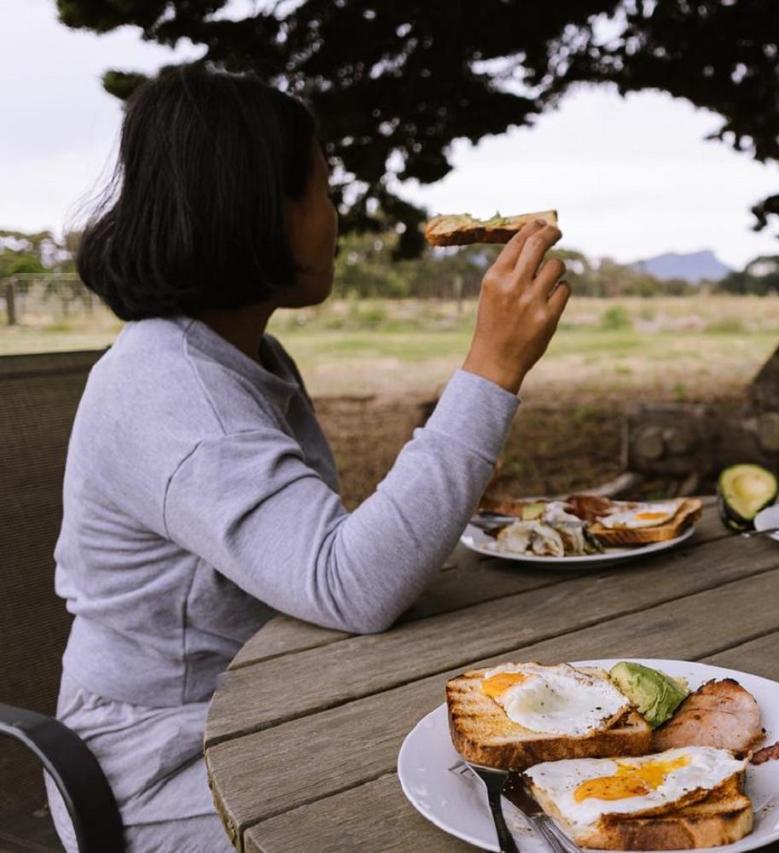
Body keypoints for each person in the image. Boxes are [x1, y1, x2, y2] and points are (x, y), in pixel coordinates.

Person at [47, 64, 569, 851]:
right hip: (155, 760)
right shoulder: (171, 390)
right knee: (460, 824)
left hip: (277, 696)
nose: (334, 218)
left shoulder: (240, 353)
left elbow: (315, 559)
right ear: (257, 209)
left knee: (523, 770)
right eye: (321, 191)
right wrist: (492, 368)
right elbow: (350, 584)